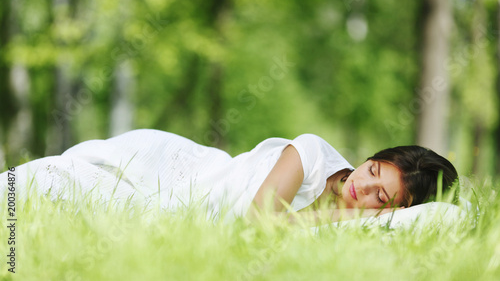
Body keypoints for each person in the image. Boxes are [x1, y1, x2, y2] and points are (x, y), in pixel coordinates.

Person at [0, 129, 458, 224]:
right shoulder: (313, 153)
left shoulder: (369, 225)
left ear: (397, 209)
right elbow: (259, 222)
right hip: (182, 171)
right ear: (370, 157)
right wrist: (337, 219)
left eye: (381, 196)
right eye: (373, 169)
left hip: (183, 204)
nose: (363, 186)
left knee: (65, 188)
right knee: (55, 174)